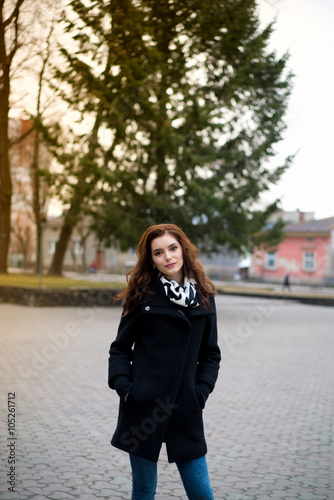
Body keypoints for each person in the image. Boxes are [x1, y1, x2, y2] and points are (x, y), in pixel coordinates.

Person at [108, 223, 221, 500]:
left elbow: (211, 354)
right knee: (144, 490)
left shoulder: (204, 297)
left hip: (186, 406)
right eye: (159, 253)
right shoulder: (141, 296)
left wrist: (201, 392)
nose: (168, 257)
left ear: (183, 249)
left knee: (201, 493)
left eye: (172, 248)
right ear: (152, 260)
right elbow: (120, 348)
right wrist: (125, 387)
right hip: (143, 405)